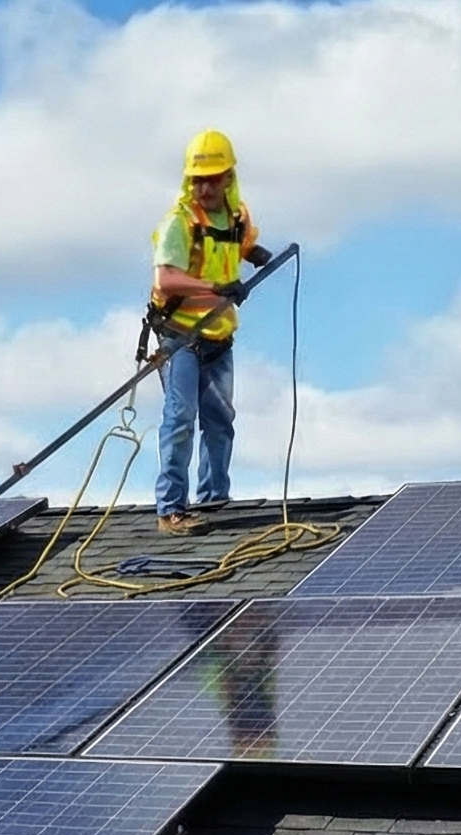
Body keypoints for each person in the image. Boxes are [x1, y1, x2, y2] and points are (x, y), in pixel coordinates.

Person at [149, 129, 274, 535]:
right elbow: (167, 278)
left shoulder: (236, 217)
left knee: (220, 420)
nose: (205, 187)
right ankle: (171, 509)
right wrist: (214, 289)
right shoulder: (179, 223)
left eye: (213, 178)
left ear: (228, 178)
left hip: (219, 338)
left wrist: (255, 255)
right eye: (198, 179)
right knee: (181, 417)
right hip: (179, 337)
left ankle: (214, 498)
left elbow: (236, 244)